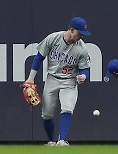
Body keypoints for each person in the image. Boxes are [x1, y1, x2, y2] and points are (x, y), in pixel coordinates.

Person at [24, 17, 91, 146]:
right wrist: (30, 78)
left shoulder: (82, 48)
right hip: (52, 79)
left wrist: (83, 76)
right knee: (47, 114)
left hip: (70, 82)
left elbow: (85, 69)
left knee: (67, 109)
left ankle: (62, 140)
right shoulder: (53, 38)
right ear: (71, 30)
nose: (81, 36)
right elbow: (39, 58)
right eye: (79, 33)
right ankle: (51, 141)